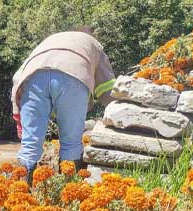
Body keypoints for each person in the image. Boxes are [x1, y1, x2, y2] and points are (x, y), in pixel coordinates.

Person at [11, 28, 116, 183]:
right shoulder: (93, 44)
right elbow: (107, 88)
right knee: (71, 144)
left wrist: (19, 118)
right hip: (73, 76)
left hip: (32, 77)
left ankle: (18, 198)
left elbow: (17, 78)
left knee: (29, 146)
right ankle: (68, 195)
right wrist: (116, 115)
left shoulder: (50, 40)